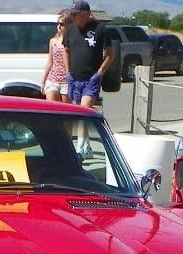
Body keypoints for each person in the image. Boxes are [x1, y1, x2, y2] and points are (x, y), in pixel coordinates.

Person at [63, 0, 113, 157]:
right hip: (74, 77)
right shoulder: (70, 30)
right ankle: (86, 146)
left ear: (85, 14)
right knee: (76, 109)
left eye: (76, 14)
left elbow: (110, 53)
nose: (74, 17)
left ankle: (81, 147)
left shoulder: (100, 29)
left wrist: (100, 72)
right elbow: (66, 50)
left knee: (83, 110)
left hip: (91, 78)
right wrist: (67, 70)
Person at [42, 10, 71, 102]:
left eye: (62, 24)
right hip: (52, 80)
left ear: (68, 26)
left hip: (66, 82)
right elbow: (50, 62)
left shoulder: (73, 42)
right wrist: (43, 81)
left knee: (67, 111)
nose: (59, 26)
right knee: (52, 110)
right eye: (58, 24)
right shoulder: (53, 41)